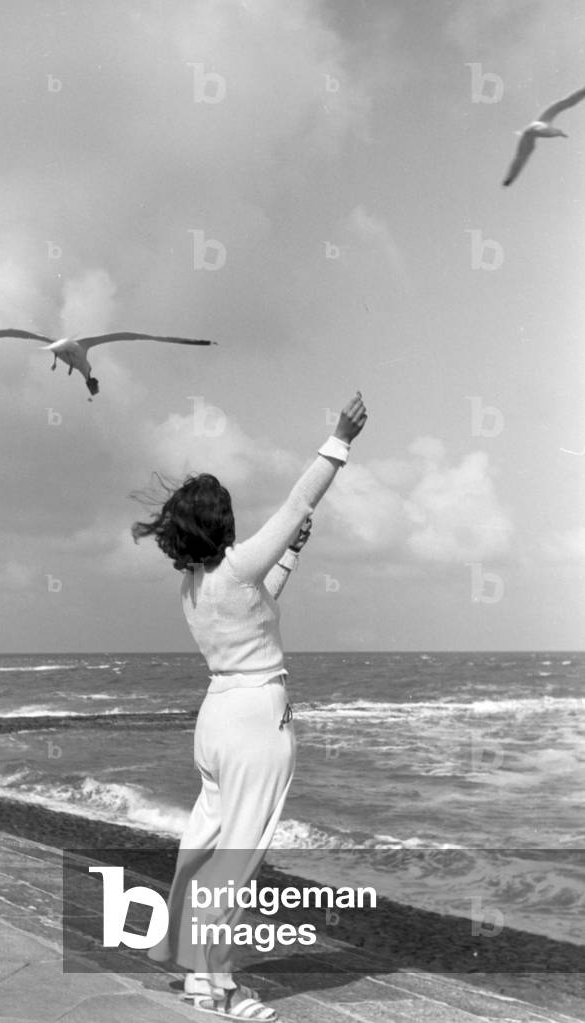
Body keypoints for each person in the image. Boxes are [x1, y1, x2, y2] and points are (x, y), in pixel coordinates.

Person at [132, 391, 367, 1020]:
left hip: (216, 717)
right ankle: (221, 987)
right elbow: (299, 501)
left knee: (204, 846)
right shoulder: (236, 568)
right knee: (237, 858)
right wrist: (338, 440)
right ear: (224, 525)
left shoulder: (197, 585)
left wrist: (289, 554)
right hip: (256, 720)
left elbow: (255, 611)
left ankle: (188, 966)